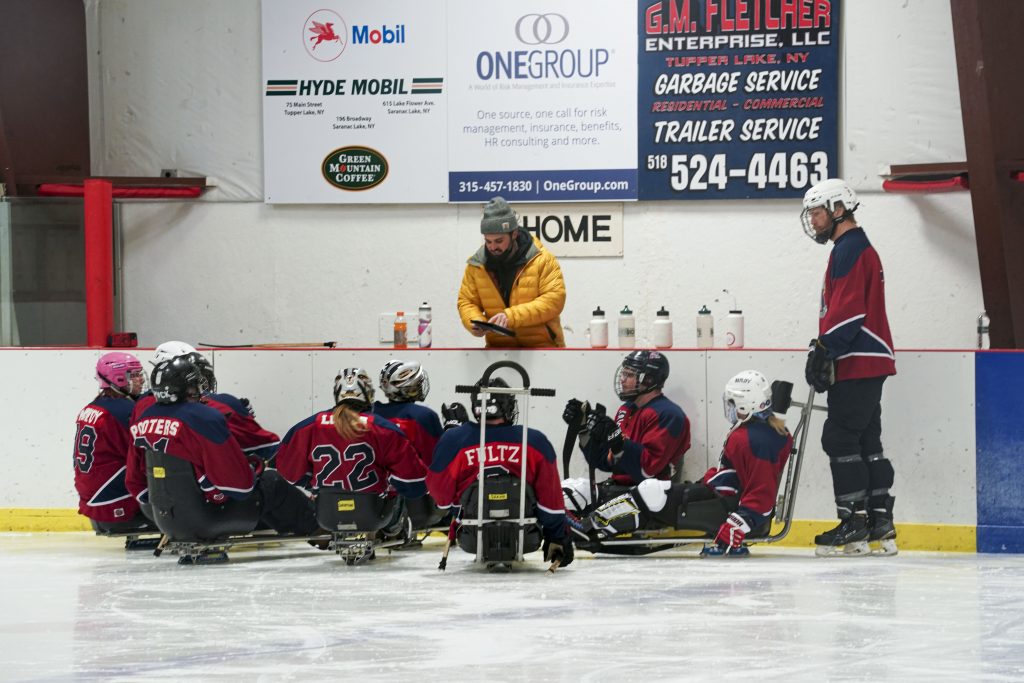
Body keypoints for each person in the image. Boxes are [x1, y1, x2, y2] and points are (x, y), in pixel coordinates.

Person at [577, 370, 792, 558]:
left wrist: (738, 524)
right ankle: (591, 526)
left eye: (732, 403)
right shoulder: (759, 432)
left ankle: (587, 528)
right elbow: (738, 474)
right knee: (651, 493)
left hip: (724, 505)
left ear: (746, 404)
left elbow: (762, 492)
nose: (729, 407)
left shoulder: (756, 439)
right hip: (719, 497)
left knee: (650, 492)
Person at [801, 178, 897, 556]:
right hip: (869, 359)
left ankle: (853, 523)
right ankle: (878, 522)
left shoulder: (850, 249)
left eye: (818, 211)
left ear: (839, 209)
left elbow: (849, 309)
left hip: (858, 357)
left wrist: (826, 348)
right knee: (866, 441)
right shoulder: (855, 247)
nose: (814, 220)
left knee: (840, 438)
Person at [126, 356, 321, 536]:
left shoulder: (143, 417)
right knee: (271, 482)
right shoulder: (205, 417)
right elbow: (240, 486)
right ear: (188, 387)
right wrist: (253, 468)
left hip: (164, 519)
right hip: (207, 518)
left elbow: (136, 483)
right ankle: (318, 528)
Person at [428, 377, 573, 568]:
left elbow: (441, 496)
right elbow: (551, 504)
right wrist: (558, 536)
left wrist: (458, 508)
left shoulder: (453, 439)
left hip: (471, 537)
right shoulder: (535, 441)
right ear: (508, 406)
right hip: (526, 536)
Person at [275, 368, 428, 538]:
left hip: (327, 515)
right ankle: (395, 529)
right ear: (368, 393)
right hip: (375, 514)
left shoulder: (308, 426)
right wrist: (392, 488)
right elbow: (413, 480)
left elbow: (287, 470)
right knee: (397, 487)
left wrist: (313, 485)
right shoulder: (384, 429)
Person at [561, 350, 691, 513]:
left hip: (649, 499)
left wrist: (617, 441)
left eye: (629, 375)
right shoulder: (626, 409)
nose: (622, 380)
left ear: (649, 379)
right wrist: (583, 429)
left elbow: (647, 471)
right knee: (560, 493)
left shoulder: (668, 415)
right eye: (623, 373)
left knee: (566, 498)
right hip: (622, 492)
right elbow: (604, 462)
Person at [457, 196, 567, 348]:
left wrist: (511, 316)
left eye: (499, 241)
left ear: (514, 234)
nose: (493, 247)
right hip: (499, 351)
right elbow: (467, 302)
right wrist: (475, 322)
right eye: (488, 241)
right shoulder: (477, 265)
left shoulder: (542, 260)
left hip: (542, 349)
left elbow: (554, 300)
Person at [72, 352, 155, 532]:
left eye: (140, 374)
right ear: (117, 379)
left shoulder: (93, 406)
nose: (140, 379)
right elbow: (147, 453)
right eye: (133, 375)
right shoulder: (125, 412)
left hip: (94, 499)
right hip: (116, 505)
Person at [372, 359, 443, 468]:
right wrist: (453, 429)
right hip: (414, 482)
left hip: (377, 483)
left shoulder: (371, 414)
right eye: (416, 385)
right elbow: (439, 459)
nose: (419, 387)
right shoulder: (423, 415)